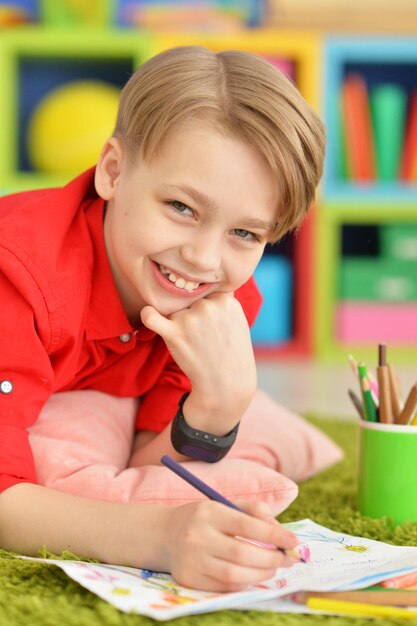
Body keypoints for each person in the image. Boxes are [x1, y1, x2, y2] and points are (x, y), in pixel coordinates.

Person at [0, 46, 325, 591]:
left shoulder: (221, 301)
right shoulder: (21, 276)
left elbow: (147, 458)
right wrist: (161, 537)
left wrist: (217, 408)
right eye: (182, 208)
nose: (203, 259)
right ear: (112, 170)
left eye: (245, 233)